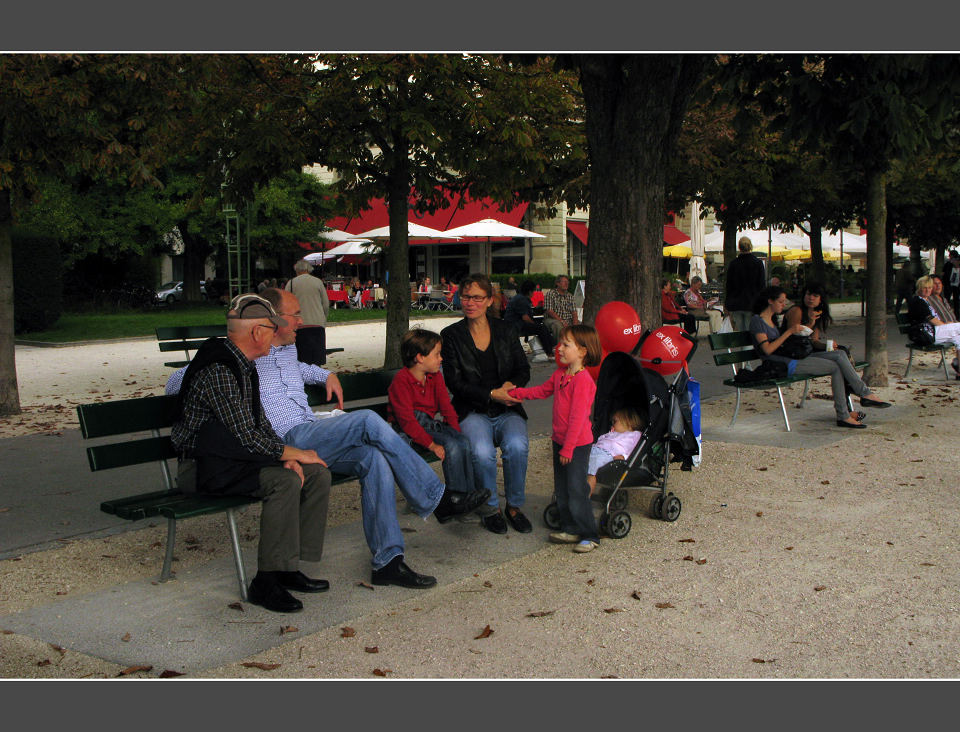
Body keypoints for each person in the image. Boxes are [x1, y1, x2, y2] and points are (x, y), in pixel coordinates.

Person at [168, 288, 489, 590]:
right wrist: (196, 379)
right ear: (273, 321)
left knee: (372, 458)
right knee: (365, 420)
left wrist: (326, 375)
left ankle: (388, 562)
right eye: (295, 314)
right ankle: (439, 499)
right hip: (288, 437)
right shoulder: (248, 354)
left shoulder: (285, 350)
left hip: (313, 430)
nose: (301, 321)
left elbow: (301, 369)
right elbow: (179, 380)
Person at [170, 293, 332, 614]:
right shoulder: (220, 370)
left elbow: (259, 425)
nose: (278, 335)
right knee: (284, 481)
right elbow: (246, 436)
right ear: (258, 333)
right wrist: (291, 454)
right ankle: (266, 581)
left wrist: (289, 455)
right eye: (273, 329)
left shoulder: (245, 364)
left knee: (317, 473)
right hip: (203, 468)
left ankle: (287, 565)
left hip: (233, 461)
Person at [440, 273, 533, 535]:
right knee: (482, 452)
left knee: (517, 446)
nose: (470, 302)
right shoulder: (451, 336)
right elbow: (454, 383)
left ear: (489, 300)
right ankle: (490, 508)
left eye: (477, 297)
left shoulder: (505, 330)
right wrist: (492, 394)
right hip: (472, 409)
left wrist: (508, 387)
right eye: (466, 296)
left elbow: (523, 369)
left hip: (508, 406)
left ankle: (514, 507)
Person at [508, 325, 603, 553]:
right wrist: (515, 393)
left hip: (576, 445)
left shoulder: (583, 381)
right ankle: (570, 528)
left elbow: (578, 418)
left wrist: (568, 448)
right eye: (560, 343)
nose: (558, 348)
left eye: (565, 345)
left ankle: (590, 534)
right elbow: (540, 391)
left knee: (576, 488)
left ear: (582, 351)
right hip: (560, 441)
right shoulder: (561, 375)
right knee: (562, 488)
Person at [750, 285, 889, 430]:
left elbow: (795, 342)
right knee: (835, 367)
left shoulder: (772, 320)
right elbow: (767, 350)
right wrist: (790, 331)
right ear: (770, 301)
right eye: (781, 301)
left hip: (790, 358)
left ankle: (860, 397)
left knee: (840, 354)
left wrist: (809, 324)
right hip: (781, 364)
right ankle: (847, 411)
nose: (784, 305)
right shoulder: (758, 321)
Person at [388, 329, 479, 498]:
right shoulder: (401, 381)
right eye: (437, 355)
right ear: (420, 357)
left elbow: (446, 407)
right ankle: (457, 498)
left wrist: (455, 432)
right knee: (451, 445)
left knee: (463, 442)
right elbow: (408, 422)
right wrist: (432, 446)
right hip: (408, 432)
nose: (441, 359)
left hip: (428, 425)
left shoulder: (434, 376)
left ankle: (470, 493)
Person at [908, 275, 960, 379]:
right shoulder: (918, 301)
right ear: (919, 288)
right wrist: (946, 326)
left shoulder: (925, 300)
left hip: (934, 332)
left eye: (929, 287)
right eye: (925, 288)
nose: (928, 290)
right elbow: (932, 320)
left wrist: (948, 325)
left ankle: (958, 370)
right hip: (927, 334)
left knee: (959, 339)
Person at [586, 407, 646, 497]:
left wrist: (624, 456)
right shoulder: (612, 432)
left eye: (615, 421)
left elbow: (634, 449)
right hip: (594, 449)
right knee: (578, 461)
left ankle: (584, 501)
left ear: (628, 422)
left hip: (606, 454)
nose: (612, 424)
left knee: (591, 471)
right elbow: (600, 440)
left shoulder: (634, 435)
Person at [285, 259, 330, 366]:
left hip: (299, 325)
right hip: (317, 323)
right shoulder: (317, 282)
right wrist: (323, 319)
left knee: (302, 358)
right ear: (308, 269)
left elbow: (285, 303)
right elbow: (325, 304)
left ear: (296, 270)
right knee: (316, 358)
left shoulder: (291, 283)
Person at [504, 279, 555, 362]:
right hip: (516, 325)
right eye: (533, 291)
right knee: (541, 328)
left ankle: (551, 348)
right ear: (530, 291)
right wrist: (534, 323)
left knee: (541, 327)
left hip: (515, 324)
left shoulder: (519, 298)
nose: (534, 293)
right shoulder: (522, 300)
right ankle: (549, 351)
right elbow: (525, 317)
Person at [724, 236, 767, 332]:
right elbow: (761, 285)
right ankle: (748, 347)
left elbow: (729, 285)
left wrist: (727, 303)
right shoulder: (758, 263)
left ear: (739, 247)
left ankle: (742, 347)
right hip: (752, 302)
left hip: (736, 303)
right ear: (751, 246)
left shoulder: (733, 264)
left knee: (740, 331)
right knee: (750, 331)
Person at [543, 274, 579, 343]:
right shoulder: (550, 294)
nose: (566, 283)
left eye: (567, 282)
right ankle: (560, 345)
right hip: (553, 319)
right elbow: (550, 311)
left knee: (580, 326)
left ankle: (577, 345)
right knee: (558, 325)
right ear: (558, 283)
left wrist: (575, 325)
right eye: (564, 282)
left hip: (568, 319)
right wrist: (561, 321)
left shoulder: (570, 296)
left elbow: (574, 312)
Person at [941, 250, 960, 316]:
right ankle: (947, 314)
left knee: (956, 301)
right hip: (948, 284)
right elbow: (943, 273)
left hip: (957, 285)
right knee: (947, 300)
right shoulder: (948, 264)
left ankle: (956, 315)